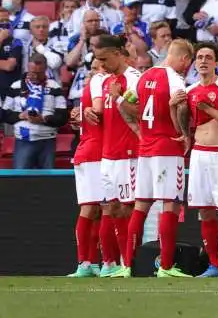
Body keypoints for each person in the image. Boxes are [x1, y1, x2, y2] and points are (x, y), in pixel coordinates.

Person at [114, 39, 194, 278]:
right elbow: (180, 107)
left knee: (141, 206)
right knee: (170, 204)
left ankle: (127, 265)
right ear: (183, 58)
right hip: (168, 147)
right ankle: (166, 267)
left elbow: (124, 104)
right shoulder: (174, 78)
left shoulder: (142, 76)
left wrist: (138, 131)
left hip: (146, 149)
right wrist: (184, 134)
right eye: (188, 62)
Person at [171, 42, 218, 277]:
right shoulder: (190, 91)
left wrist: (209, 109)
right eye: (199, 57)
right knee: (205, 212)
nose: (203, 61)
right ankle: (214, 265)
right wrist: (174, 108)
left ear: (216, 62)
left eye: (208, 57)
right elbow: (183, 130)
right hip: (200, 154)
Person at [89, 35, 141, 274]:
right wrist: (87, 112)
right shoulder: (105, 81)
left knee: (128, 209)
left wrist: (120, 97)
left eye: (104, 59)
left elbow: (141, 113)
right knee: (114, 209)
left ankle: (129, 263)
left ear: (118, 54)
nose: (100, 65)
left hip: (128, 153)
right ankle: (118, 263)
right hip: (107, 155)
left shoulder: (133, 78)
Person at [68, 58, 106, 277]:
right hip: (91, 154)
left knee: (101, 211)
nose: (96, 72)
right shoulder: (96, 85)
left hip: (100, 152)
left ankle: (93, 262)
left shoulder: (95, 89)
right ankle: (84, 262)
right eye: (93, 68)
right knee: (90, 208)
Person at [4, 54, 67, 170]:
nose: (35, 76)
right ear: (28, 68)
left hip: (47, 140)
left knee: (48, 182)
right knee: (20, 181)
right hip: (24, 139)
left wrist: (43, 119)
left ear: (46, 70)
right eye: (32, 72)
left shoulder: (54, 86)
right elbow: (4, 114)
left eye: (39, 73)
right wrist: (21, 115)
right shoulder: (16, 86)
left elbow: (62, 117)